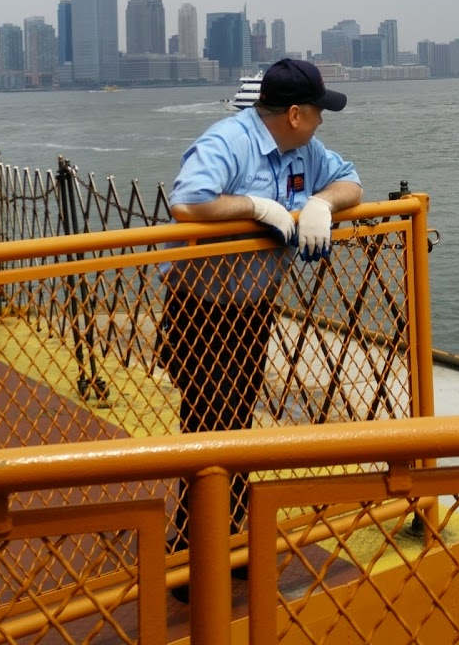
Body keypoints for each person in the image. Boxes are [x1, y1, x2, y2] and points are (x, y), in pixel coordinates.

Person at [160, 57, 362, 564]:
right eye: (318, 112)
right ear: (295, 113)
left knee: (232, 422)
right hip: (201, 309)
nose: (321, 122)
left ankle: (219, 538)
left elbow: (351, 181)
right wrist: (253, 206)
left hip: (251, 310)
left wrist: (320, 203)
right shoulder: (230, 141)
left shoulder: (305, 150)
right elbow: (188, 202)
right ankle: (199, 546)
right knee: (210, 425)